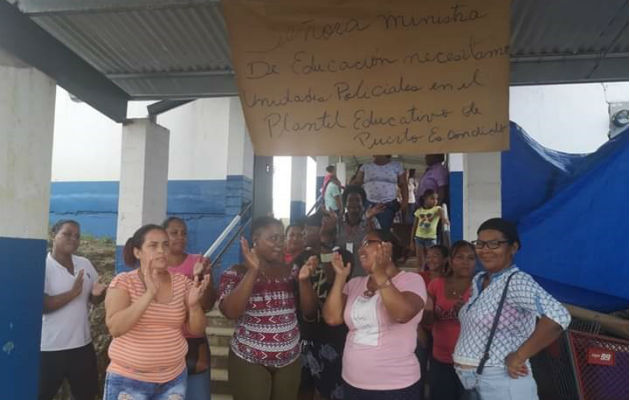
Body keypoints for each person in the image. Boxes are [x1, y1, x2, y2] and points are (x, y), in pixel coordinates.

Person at [453, 218, 571, 399]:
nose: (485, 250)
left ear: (513, 248)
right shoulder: (479, 280)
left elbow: (559, 316)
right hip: (475, 381)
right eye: (480, 244)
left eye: (494, 244)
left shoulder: (516, 281)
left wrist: (519, 356)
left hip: (504, 384)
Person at [103, 224, 210, 400]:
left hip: (173, 379)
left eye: (165, 245)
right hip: (128, 380)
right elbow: (116, 328)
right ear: (138, 252)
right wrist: (149, 294)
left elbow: (197, 330)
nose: (161, 250)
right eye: (153, 246)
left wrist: (193, 306)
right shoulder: (124, 282)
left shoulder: (182, 282)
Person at [218, 217, 318, 400]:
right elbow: (231, 312)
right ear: (255, 239)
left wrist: (304, 281)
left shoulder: (292, 271)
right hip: (249, 359)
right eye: (273, 238)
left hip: (290, 361)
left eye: (281, 238)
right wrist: (253, 271)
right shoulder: (235, 273)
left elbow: (310, 313)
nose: (280, 244)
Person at [322, 231, 426, 399]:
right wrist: (341, 278)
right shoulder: (355, 283)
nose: (361, 249)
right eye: (360, 245)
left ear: (387, 248)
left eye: (368, 243)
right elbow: (332, 318)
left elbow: (401, 314)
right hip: (353, 381)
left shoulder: (411, 280)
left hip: (396, 386)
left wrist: (379, 272)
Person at [39, 220, 107, 400]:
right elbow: (43, 306)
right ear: (54, 235)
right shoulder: (43, 266)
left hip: (81, 346)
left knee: (87, 394)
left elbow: (94, 300)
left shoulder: (84, 263)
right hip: (50, 348)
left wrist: (98, 294)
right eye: (67, 234)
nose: (73, 239)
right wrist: (73, 292)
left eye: (77, 236)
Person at [296, 211, 353, 400]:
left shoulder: (336, 255)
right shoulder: (300, 258)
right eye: (305, 230)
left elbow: (332, 270)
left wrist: (322, 246)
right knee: (303, 386)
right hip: (304, 333)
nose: (305, 234)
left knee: (329, 388)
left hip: (331, 336)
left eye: (309, 230)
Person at [163, 217, 217, 400]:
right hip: (164, 342)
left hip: (194, 341)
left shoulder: (199, 262)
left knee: (198, 394)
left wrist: (204, 279)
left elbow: (208, 304)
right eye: (174, 233)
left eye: (184, 233)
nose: (180, 237)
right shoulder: (156, 266)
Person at [424, 241, 476, 400]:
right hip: (441, 357)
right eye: (460, 257)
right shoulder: (436, 284)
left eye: (471, 258)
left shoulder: (480, 285)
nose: (466, 262)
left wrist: (466, 314)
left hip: (471, 361)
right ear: (451, 261)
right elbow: (427, 321)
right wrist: (427, 310)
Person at [320, 185, 383, 278]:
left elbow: (377, 247)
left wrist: (369, 220)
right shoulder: (337, 222)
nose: (354, 204)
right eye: (350, 200)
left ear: (363, 203)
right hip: (341, 277)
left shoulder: (372, 221)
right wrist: (327, 230)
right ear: (345, 203)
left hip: (364, 277)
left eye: (358, 200)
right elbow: (326, 251)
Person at [415, 244, 449, 399]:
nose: (430, 259)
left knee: (438, 374)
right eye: (428, 256)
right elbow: (413, 307)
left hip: (442, 334)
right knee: (418, 371)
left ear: (445, 259)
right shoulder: (419, 277)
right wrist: (418, 330)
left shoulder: (450, 280)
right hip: (421, 330)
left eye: (435, 255)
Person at [351, 155, 408, 232]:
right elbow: (356, 185)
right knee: (367, 231)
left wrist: (405, 201)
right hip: (369, 204)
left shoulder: (397, 166)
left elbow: (403, 184)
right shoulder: (365, 166)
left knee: (386, 234)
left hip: (389, 205)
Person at [411, 189, 450, 271]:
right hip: (419, 237)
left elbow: (441, 211)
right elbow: (414, 226)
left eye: (436, 199)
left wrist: (444, 219)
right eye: (432, 199)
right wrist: (411, 240)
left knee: (431, 259)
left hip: (431, 238)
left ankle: (430, 273)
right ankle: (421, 274)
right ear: (425, 199)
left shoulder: (436, 209)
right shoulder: (419, 211)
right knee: (420, 260)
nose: (435, 201)